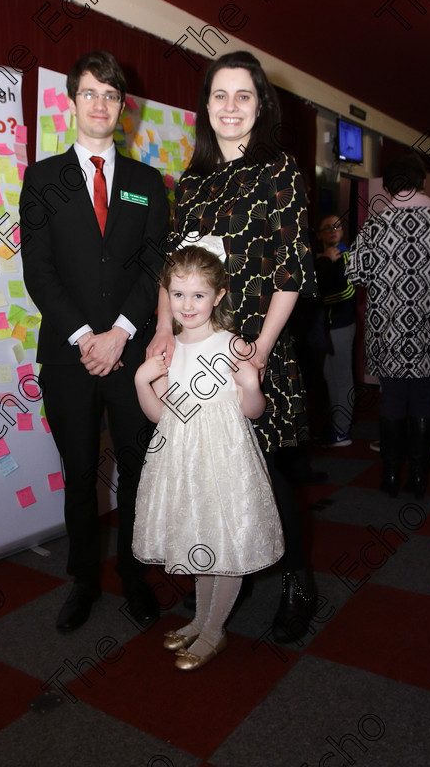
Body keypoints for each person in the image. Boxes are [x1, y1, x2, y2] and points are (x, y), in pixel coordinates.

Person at [148, 50, 318, 643]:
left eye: (243, 95)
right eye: (219, 95)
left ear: (260, 105)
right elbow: (174, 271)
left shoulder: (281, 170)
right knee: (208, 476)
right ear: (206, 106)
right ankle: (214, 593)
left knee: (263, 475)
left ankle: (297, 581)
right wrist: (163, 328)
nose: (230, 107)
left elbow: (293, 271)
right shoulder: (191, 181)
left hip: (253, 352)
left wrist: (263, 349)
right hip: (197, 354)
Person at [19, 51, 169, 631]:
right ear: (72, 102)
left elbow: (155, 260)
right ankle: (84, 580)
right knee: (79, 473)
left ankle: (133, 576)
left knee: (135, 470)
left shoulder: (145, 182)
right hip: (68, 354)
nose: (100, 104)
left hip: (132, 356)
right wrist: (87, 337)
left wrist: (121, 333)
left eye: (110, 94)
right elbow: (40, 271)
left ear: (122, 106)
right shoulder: (42, 179)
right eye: (90, 93)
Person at [133, 245, 284, 670]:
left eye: (198, 295)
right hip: (182, 462)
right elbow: (161, 414)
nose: (187, 305)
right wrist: (143, 385)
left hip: (226, 461)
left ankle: (215, 630)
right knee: (201, 535)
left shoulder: (230, 344)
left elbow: (253, 412)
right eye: (178, 294)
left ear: (218, 296)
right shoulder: (166, 348)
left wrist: (251, 384)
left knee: (227, 539)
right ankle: (200, 618)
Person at [346, 154, 430, 497]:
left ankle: (389, 476)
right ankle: (418, 476)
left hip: (388, 329)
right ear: (422, 182)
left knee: (392, 400)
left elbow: (354, 275)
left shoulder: (375, 225)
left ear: (387, 187)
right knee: (423, 400)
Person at [315, 214, 356, 446]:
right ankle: (336, 426)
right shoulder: (321, 257)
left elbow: (349, 292)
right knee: (330, 377)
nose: (332, 230)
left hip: (340, 324)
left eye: (337, 226)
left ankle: (342, 430)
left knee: (341, 377)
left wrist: (316, 301)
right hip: (325, 326)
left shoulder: (346, 254)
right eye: (327, 227)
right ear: (319, 233)